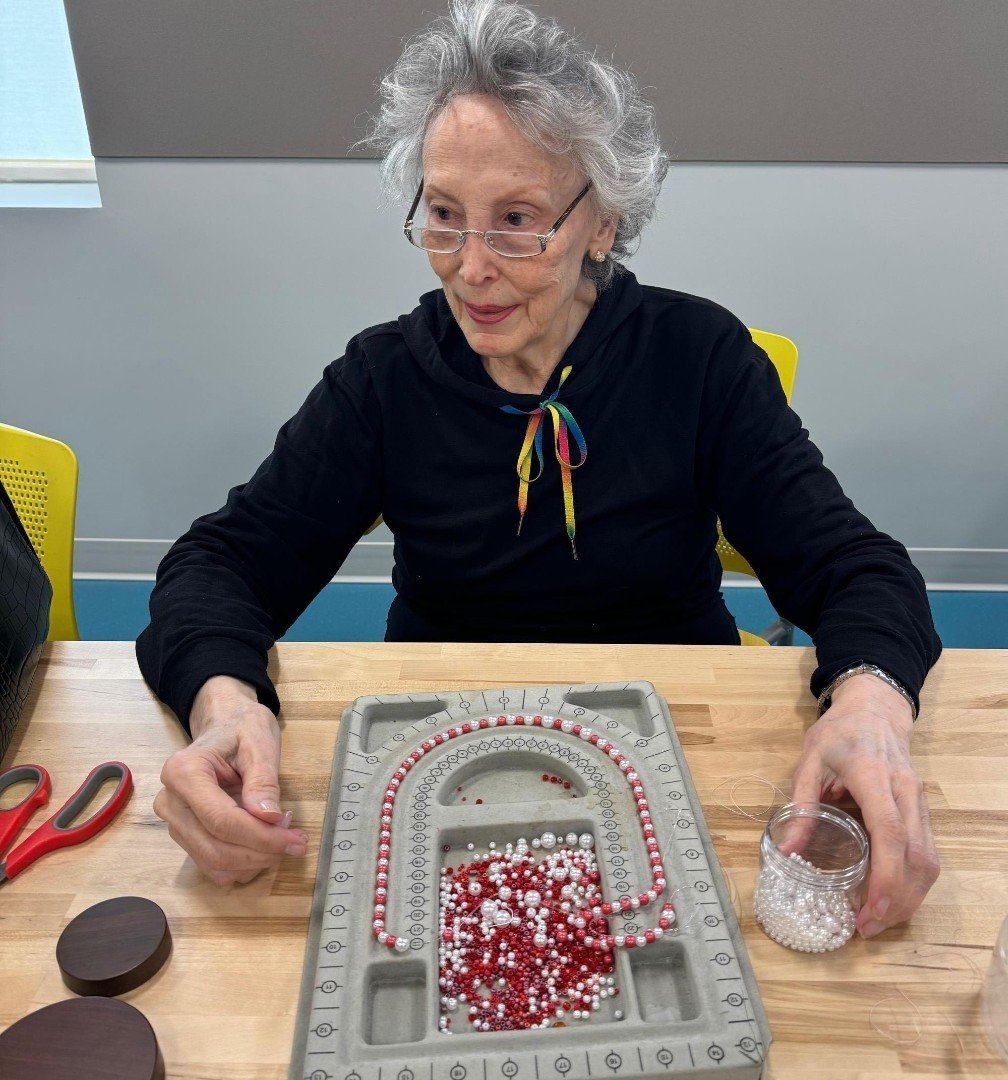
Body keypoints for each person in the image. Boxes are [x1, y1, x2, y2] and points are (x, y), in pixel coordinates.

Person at [137, 0, 941, 939]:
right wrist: (224, 701)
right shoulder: (383, 380)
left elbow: (857, 569)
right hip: (439, 755)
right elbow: (219, 566)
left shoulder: (701, 358)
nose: (471, 268)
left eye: (517, 222)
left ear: (601, 220)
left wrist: (874, 699)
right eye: (444, 217)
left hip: (674, 743)